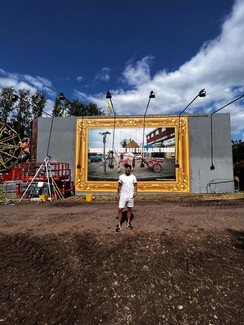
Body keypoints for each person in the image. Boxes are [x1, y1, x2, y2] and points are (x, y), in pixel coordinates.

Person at [115, 164, 137, 232]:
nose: (127, 169)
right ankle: (119, 224)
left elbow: (135, 185)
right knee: (120, 209)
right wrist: (117, 194)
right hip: (123, 196)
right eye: (126, 168)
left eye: (129, 168)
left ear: (130, 169)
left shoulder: (133, 177)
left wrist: (135, 192)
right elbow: (119, 186)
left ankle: (128, 223)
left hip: (130, 196)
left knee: (129, 210)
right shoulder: (121, 177)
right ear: (125, 169)